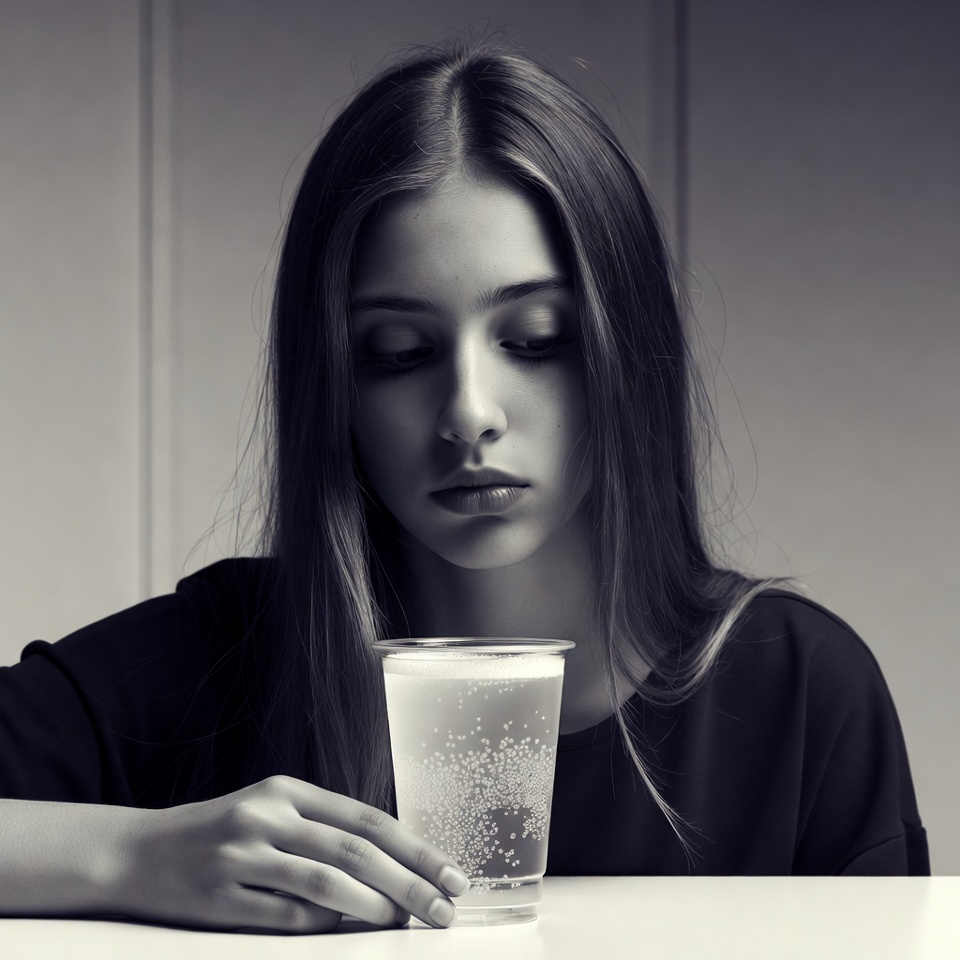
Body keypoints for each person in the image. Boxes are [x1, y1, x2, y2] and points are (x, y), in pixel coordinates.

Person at [0, 37, 929, 933]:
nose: (470, 411)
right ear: (336, 389)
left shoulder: (798, 691)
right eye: (400, 354)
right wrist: (130, 856)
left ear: (625, 354)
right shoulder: (229, 655)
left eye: (534, 340)